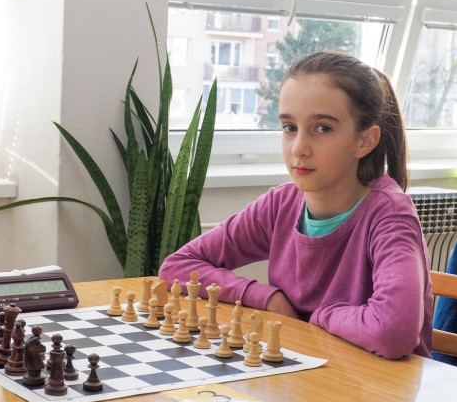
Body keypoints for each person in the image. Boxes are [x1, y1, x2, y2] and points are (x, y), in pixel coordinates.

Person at [159, 51, 432, 360]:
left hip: (384, 384)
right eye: (290, 127)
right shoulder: (280, 204)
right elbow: (178, 266)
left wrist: (320, 315)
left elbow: (393, 333)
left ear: (364, 141)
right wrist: (265, 296)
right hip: (309, 371)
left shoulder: (390, 216)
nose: (299, 148)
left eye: (323, 128)